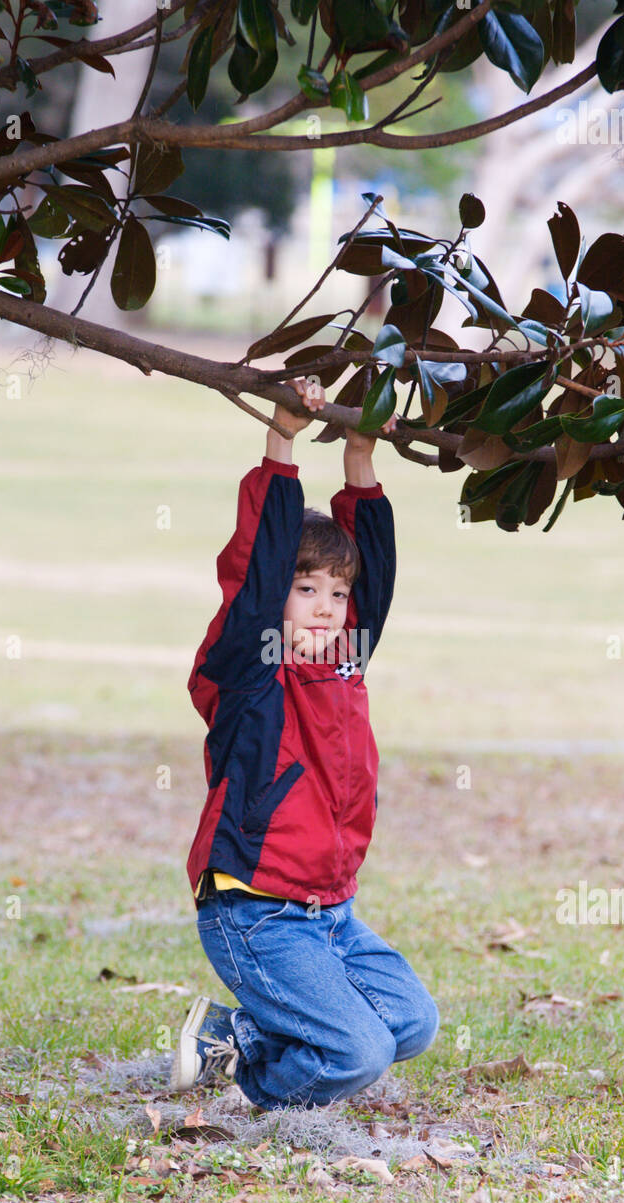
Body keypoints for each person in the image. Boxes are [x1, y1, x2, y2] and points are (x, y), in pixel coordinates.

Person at [171, 376, 440, 1109]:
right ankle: (253, 1081)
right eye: (306, 589)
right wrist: (281, 445)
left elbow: (374, 578)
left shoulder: (343, 659)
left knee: (411, 1024)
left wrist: (361, 456)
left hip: (331, 912)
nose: (325, 608)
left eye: (335, 593)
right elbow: (253, 575)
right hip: (254, 908)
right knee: (357, 1053)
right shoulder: (250, 671)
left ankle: (239, 1035)